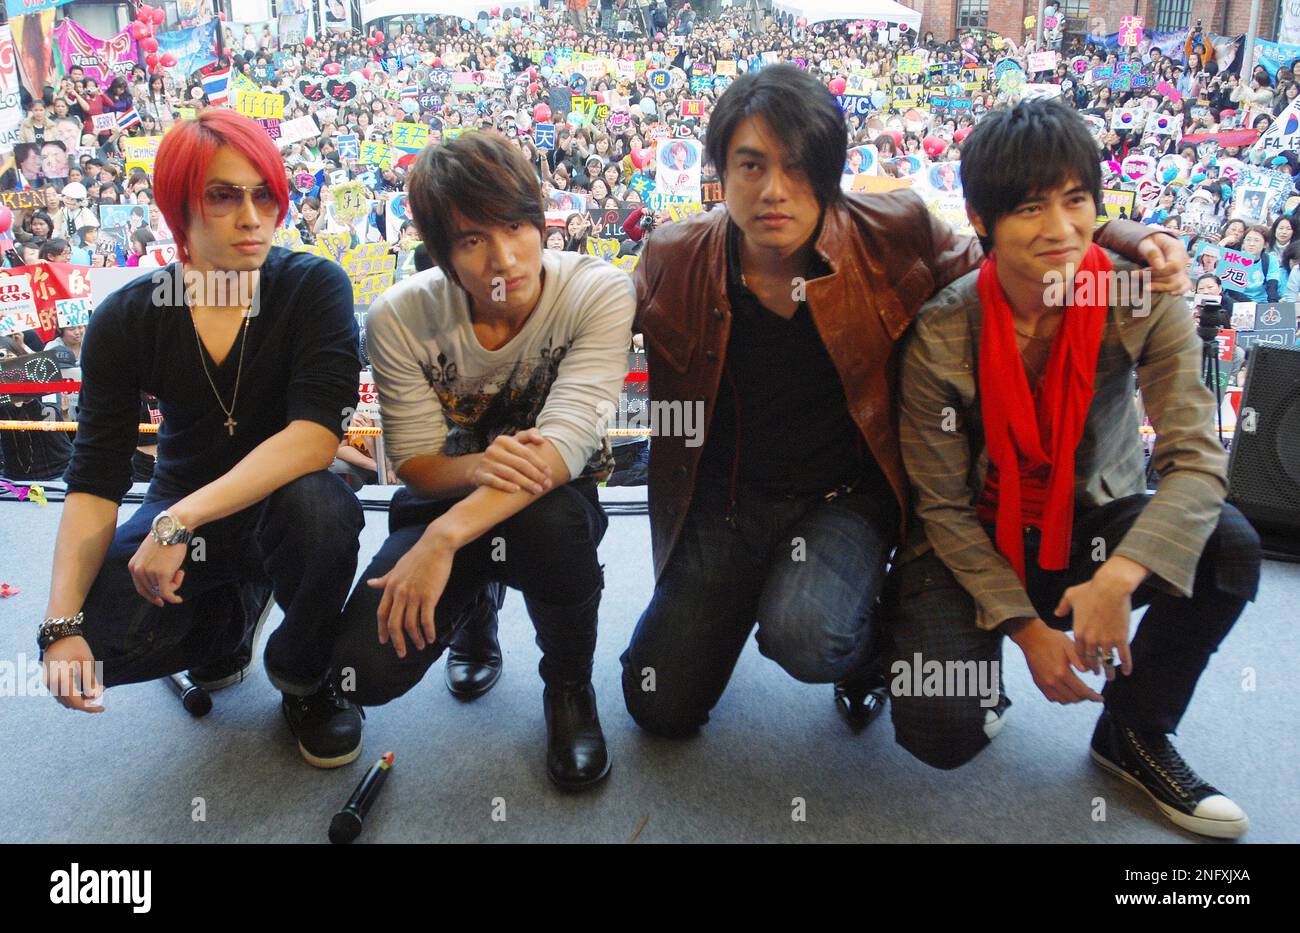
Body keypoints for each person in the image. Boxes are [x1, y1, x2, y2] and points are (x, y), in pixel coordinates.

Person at [620, 64, 1188, 740]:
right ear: (720, 172)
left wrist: (1122, 236)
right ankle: (755, 599)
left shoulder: (892, 233)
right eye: (751, 165)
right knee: (659, 705)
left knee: (806, 636)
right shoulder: (673, 256)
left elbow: (1013, 237)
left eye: (799, 167)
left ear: (831, 171)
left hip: (847, 496)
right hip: (728, 503)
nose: (774, 191)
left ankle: (871, 642)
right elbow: (589, 313)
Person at [893, 99, 1258, 839]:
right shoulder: (944, 327)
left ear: (1098, 205)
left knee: (1229, 544)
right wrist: (1029, 632)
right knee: (941, 727)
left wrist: (1119, 576)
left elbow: (1194, 464)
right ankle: (890, 644)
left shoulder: (1140, 298)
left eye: (1076, 201)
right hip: (978, 532)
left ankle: (1134, 731)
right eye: (1029, 206)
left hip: (1090, 520)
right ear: (983, 219)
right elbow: (941, 507)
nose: (1058, 229)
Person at [38, 109, 368, 771]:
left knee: (320, 509)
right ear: (177, 205)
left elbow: (312, 438)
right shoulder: (128, 318)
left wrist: (179, 520)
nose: (252, 215)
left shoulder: (313, 287)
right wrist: (59, 626)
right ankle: (230, 619)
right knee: (99, 638)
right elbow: (95, 480)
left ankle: (304, 676)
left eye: (264, 193)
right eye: (224, 194)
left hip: (278, 499)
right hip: (180, 500)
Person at [330, 131, 634, 790]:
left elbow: (563, 446)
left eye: (517, 225)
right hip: (444, 491)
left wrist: (445, 536)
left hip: (552, 505)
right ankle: (476, 607)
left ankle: (570, 685)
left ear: (539, 218)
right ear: (441, 254)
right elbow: (415, 462)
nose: (504, 257)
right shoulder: (399, 316)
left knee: (546, 522)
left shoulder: (598, 292)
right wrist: (473, 475)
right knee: (364, 666)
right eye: (472, 240)